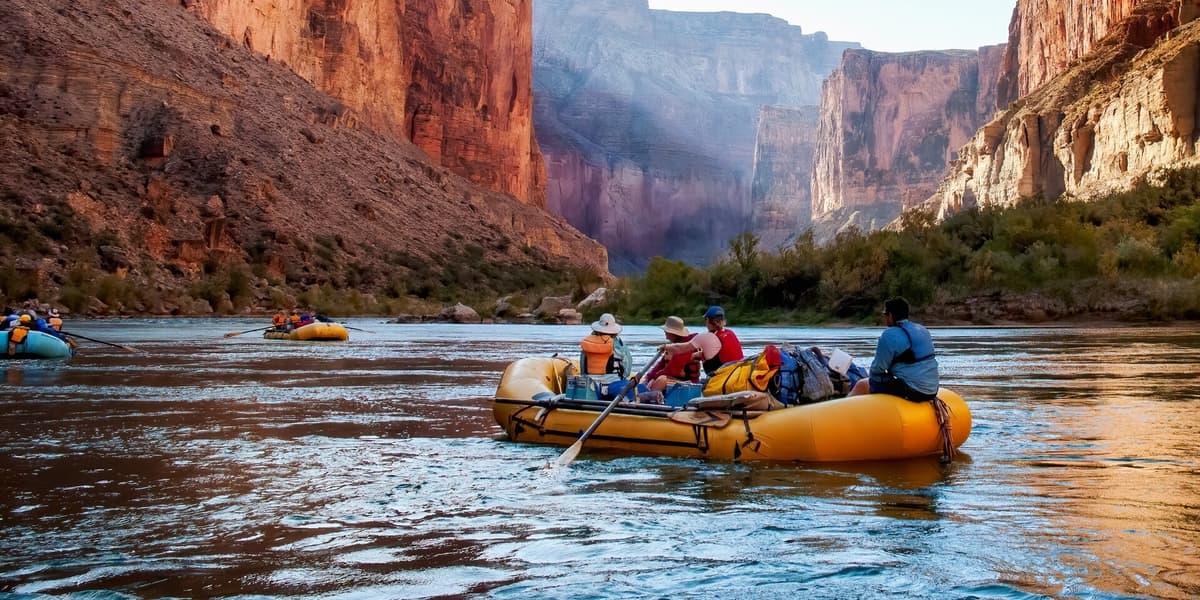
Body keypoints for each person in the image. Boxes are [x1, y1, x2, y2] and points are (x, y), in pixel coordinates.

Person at [849, 297, 939, 400]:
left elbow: (878, 368)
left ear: (890, 315)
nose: (885, 319)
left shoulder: (889, 334)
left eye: (886, 315)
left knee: (868, 382)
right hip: (932, 390)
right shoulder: (922, 329)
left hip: (913, 391)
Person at [646, 316, 700, 392]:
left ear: (673, 333)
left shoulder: (687, 347)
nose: (666, 337)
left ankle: (651, 396)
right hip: (674, 378)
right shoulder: (673, 346)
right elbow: (661, 365)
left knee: (661, 380)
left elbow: (670, 369)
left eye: (666, 333)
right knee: (647, 379)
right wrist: (648, 378)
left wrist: (654, 378)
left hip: (688, 382)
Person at [579, 312, 633, 378]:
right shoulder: (619, 345)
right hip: (613, 381)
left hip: (589, 381)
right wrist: (623, 377)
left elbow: (582, 368)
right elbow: (627, 369)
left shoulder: (588, 343)